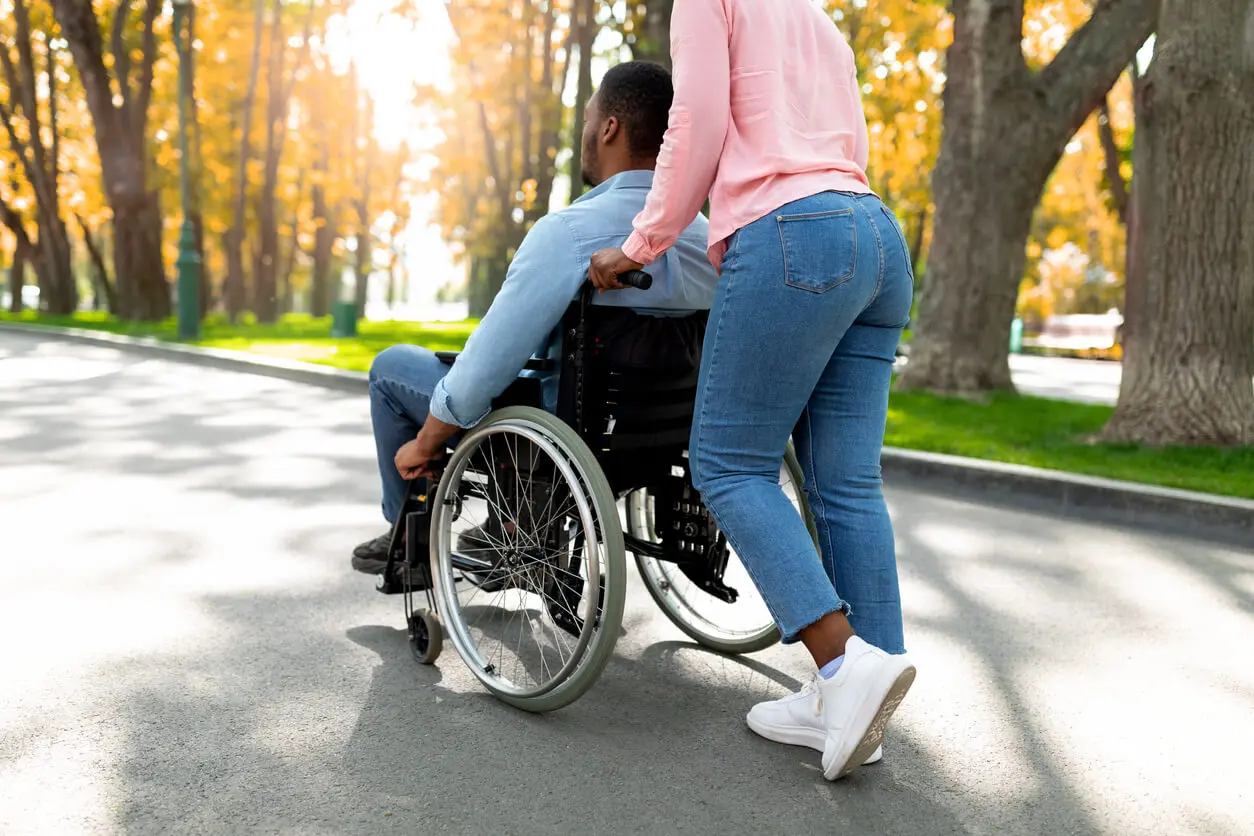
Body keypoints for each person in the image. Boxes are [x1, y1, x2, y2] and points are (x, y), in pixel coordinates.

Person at [587, 0, 916, 781]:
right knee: (847, 484)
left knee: (728, 463)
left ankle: (843, 669)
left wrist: (641, 243)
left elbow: (695, 123)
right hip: (874, 235)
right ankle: (864, 689)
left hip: (791, 234)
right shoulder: (816, 19)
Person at [351, 61, 719, 582]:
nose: (587, 128)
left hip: (562, 434)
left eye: (591, 117)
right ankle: (508, 528)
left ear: (609, 127)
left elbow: (487, 365)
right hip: (653, 441)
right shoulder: (705, 238)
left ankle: (407, 535)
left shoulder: (571, 232)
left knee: (392, 368)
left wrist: (428, 440)